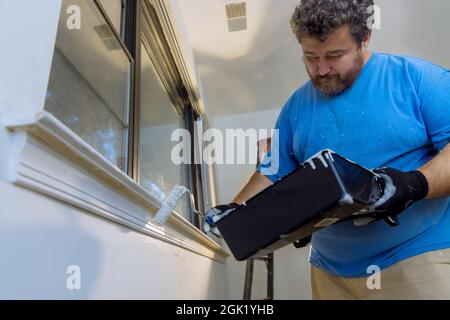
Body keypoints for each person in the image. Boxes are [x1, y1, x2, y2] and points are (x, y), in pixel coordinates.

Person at [204, 0, 450, 299]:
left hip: (415, 258)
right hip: (328, 269)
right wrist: (235, 210)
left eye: (335, 55)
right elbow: (273, 169)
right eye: (310, 57)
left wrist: (412, 185)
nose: (321, 69)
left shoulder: (419, 79)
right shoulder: (296, 106)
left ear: (365, 40)